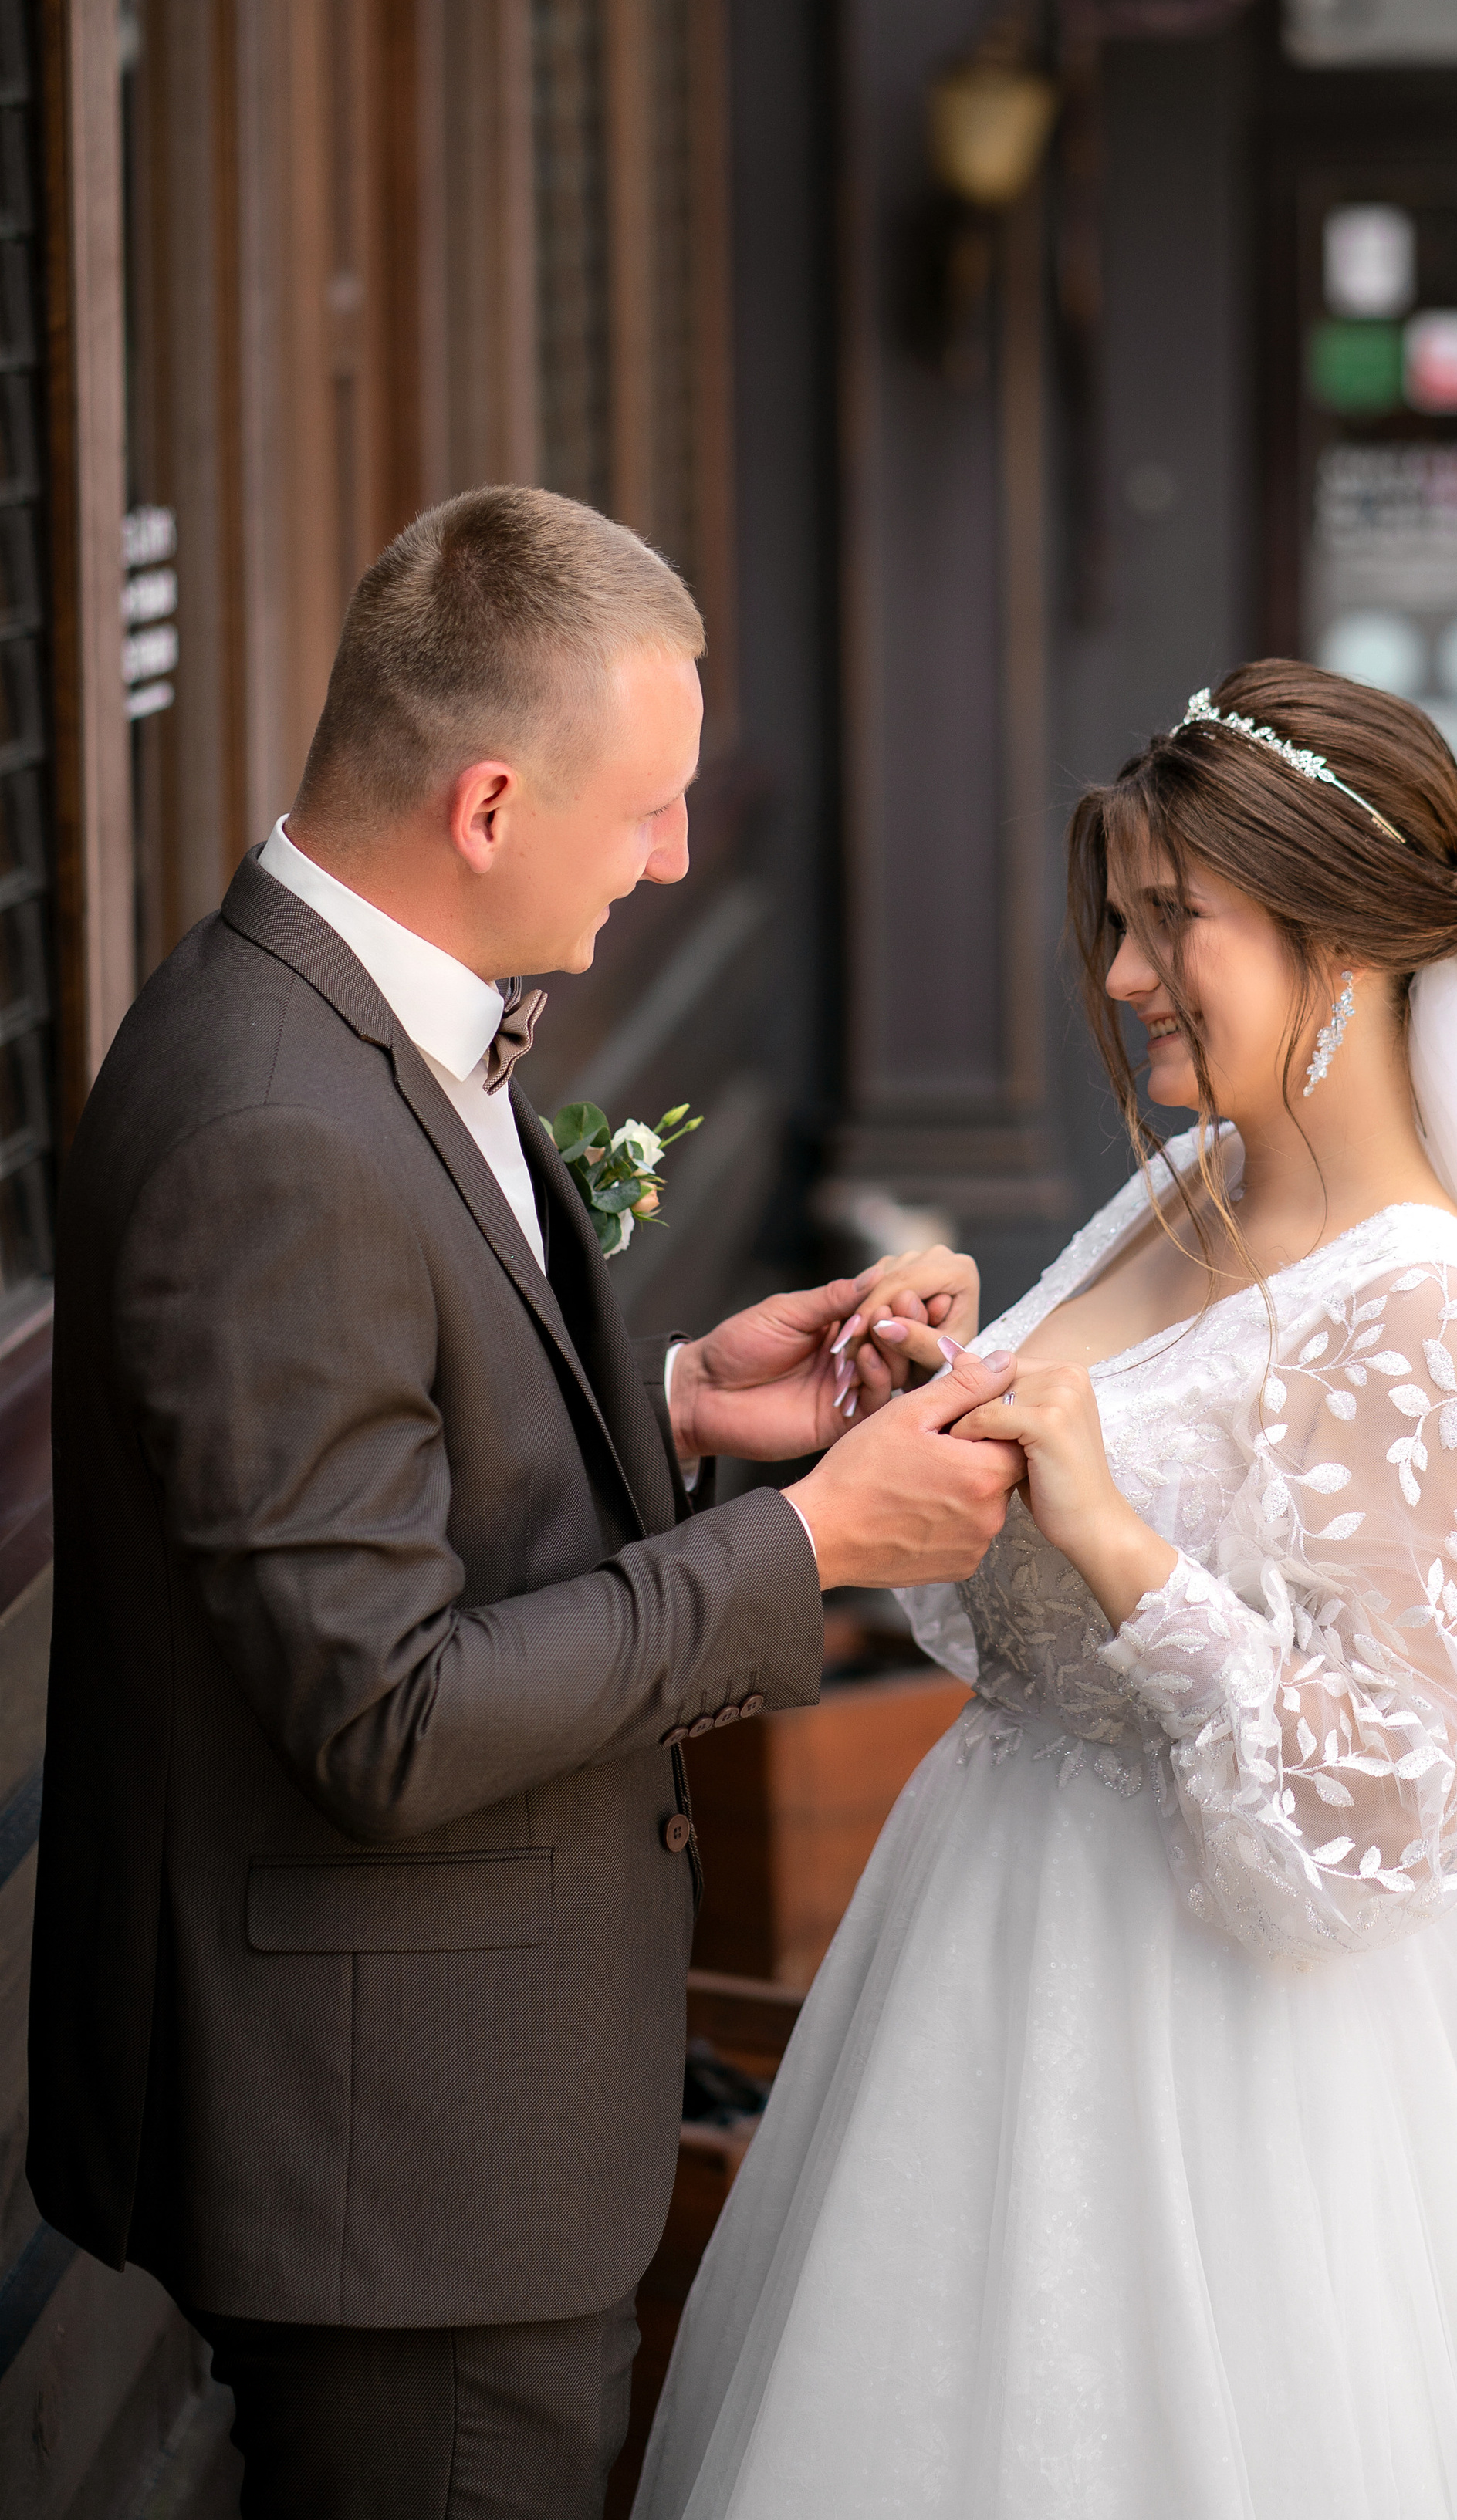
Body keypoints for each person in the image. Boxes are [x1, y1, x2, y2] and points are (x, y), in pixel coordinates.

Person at [638, 661, 1457, 2520]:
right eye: (1122, 918)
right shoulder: (1189, 1189)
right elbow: (987, 1611)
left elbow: (1395, 1811)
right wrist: (927, 1410)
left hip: (1211, 2059)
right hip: (973, 1961)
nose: (1124, 974)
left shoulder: (1427, 1304)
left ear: (1340, 941)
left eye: (1176, 923)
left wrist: (1118, 1545)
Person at [27, 485, 1023, 2520]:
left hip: (434, 2117)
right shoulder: (268, 1130)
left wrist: (670, 1401)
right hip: (406, 2180)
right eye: (646, 806)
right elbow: (384, 1716)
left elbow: (362, 1463)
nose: (674, 851)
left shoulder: (353, 1022)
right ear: (488, 805)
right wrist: (816, 1545)